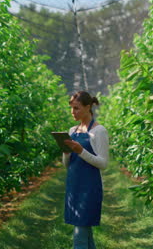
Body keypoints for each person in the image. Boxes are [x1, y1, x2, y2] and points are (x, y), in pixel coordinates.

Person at [62, 91, 109, 249]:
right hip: (73, 186)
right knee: (85, 233)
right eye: (71, 108)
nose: (73, 112)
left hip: (89, 187)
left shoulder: (98, 131)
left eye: (76, 108)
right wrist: (67, 152)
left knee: (80, 234)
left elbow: (103, 163)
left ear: (88, 107)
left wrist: (81, 150)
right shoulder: (72, 131)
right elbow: (67, 165)